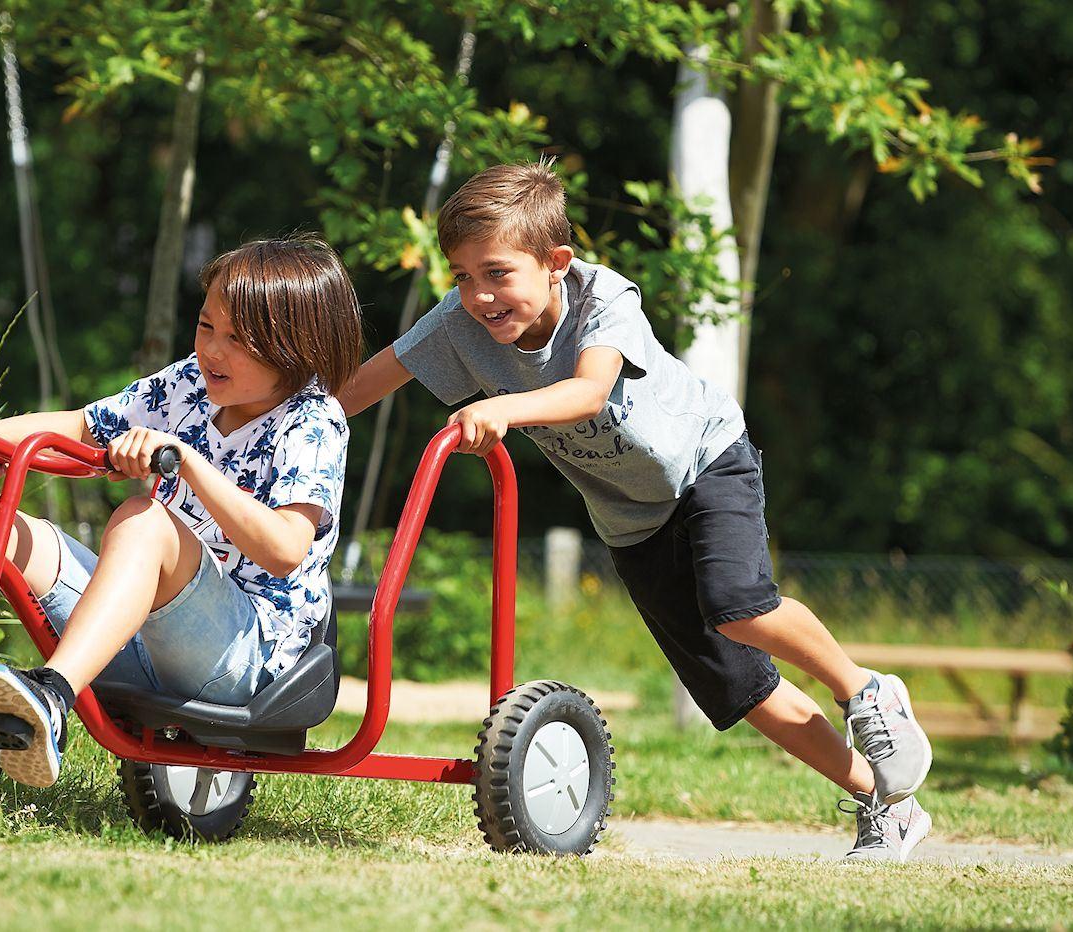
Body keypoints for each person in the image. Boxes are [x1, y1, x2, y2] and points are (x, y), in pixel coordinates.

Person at [337, 161, 933, 862]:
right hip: (632, 518)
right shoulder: (458, 324)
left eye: (496, 273)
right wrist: (277, 419)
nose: (477, 295)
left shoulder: (602, 297)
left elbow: (589, 391)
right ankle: (885, 804)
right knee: (739, 687)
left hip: (706, 459)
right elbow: (363, 384)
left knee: (739, 603)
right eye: (462, 275)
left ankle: (866, 689)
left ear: (556, 263)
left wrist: (499, 406)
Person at [0, 237, 361, 789]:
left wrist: (185, 464)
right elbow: (83, 426)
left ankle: (53, 699)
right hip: (142, 635)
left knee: (143, 521)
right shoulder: (190, 384)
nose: (212, 349)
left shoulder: (311, 422)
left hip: (245, 658)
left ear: (294, 348)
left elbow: (286, 549)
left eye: (237, 339)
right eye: (206, 325)